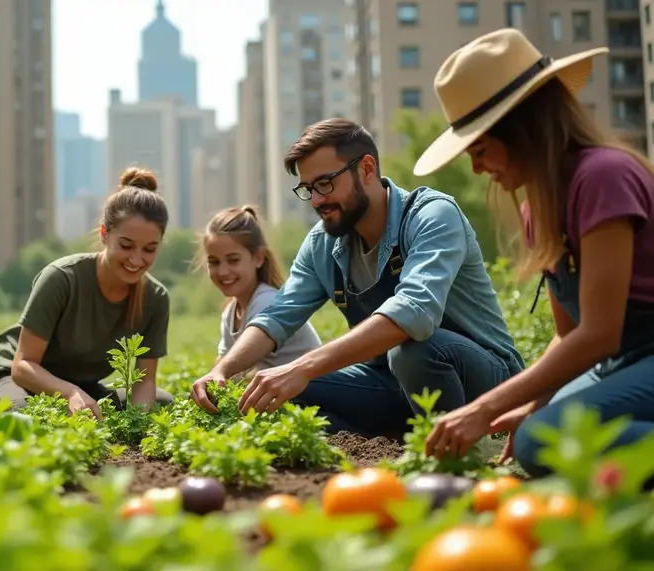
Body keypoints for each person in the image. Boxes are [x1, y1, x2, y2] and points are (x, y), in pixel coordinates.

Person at [190, 117, 525, 440]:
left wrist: (303, 367)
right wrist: (224, 370)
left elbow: (413, 313)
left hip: (485, 382)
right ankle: (390, 443)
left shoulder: (431, 216)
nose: (318, 200)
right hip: (390, 381)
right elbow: (277, 316)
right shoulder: (322, 244)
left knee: (413, 352)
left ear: (366, 169)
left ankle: (470, 448)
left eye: (325, 183)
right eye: (309, 189)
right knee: (272, 388)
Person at [418, 29, 654, 475]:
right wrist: (533, 403)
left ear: (523, 128)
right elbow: (569, 336)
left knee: (546, 441)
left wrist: (483, 408)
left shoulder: (603, 176)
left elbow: (600, 333)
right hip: (622, 364)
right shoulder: (537, 211)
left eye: (481, 149)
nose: (476, 168)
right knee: (538, 431)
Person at [0, 166, 175, 418]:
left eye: (150, 249)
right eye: (126, 245)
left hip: (79, 384)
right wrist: (70, 393)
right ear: (105, 234)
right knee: (24, 415)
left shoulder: (156, 298)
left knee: (161, 402)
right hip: (22, 376)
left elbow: (145, 382)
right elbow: (22, 366)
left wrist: (135, 422)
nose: (137, 260)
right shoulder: (62, 278)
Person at [197, 204, 322, 380]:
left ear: (258, 258)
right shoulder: (231, 312)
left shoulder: (266, 302)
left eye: (233, 260)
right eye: (214, 262)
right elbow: (223, 364)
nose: (223, 271)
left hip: (309, 393)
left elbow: (238, 373)